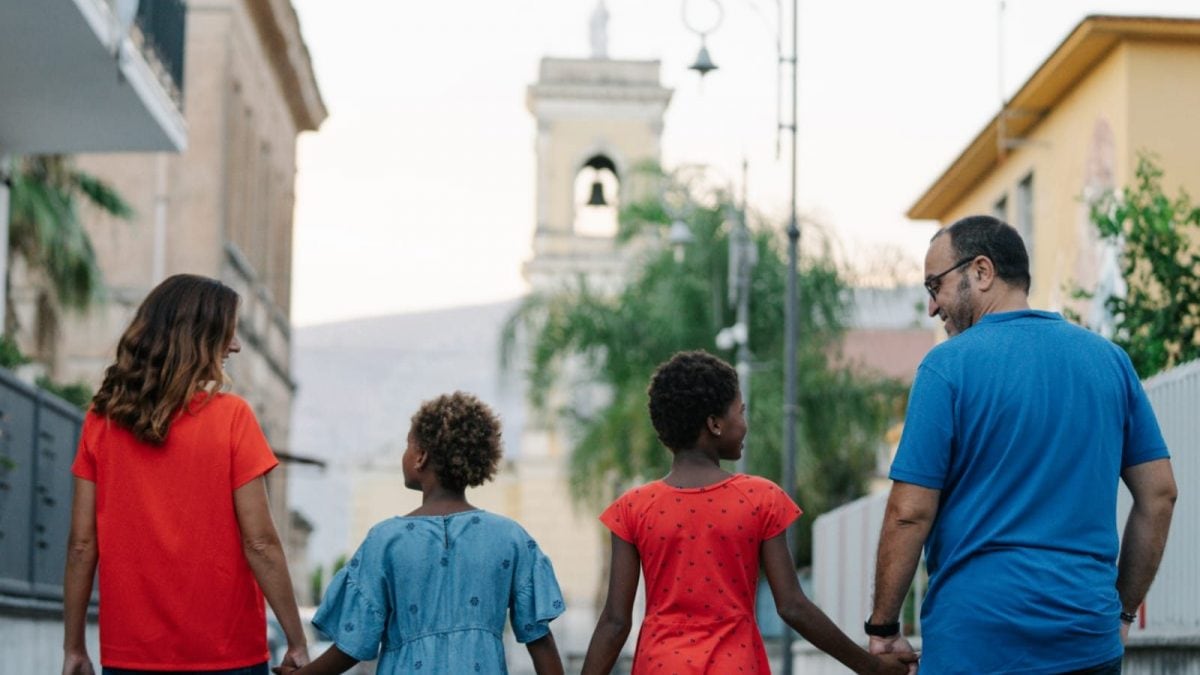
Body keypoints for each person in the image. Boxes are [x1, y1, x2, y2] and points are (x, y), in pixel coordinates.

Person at [867, 215, 1178, 674]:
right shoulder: (1110, 362)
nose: (932, 307)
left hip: (976, 647)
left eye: (935, 286)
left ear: (982, 271)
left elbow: (909, 512)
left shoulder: (945, 368)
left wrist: (883, 628)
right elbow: (1160, 495)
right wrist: (1123, 613)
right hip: (1087, 644)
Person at [580, 350, 918, 675]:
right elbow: (793, 606)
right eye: (740, 412)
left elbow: (615, 622)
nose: (744, 423)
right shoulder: (759, 499)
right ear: (714, 424)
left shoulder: (633, 509)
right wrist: (870, 667)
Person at [63, 274, 309, 674]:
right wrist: (296, 642)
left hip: (131, 657)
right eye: (227, 333)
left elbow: (80, 545)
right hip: (228, 656)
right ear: (197, 337)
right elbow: (261, 542)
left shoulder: (101, 422)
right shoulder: (233, 418)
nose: (235, 345)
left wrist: (74, 648)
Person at [276, 392, 565, 675]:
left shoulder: (386, 541)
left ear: (421, 457)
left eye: (408, 445)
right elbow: (540, 640)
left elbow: (353, 645)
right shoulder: (511, 538)